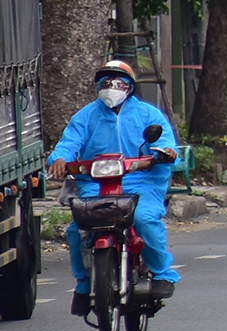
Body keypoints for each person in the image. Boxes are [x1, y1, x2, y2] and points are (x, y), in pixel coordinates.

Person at [47, 60, 180, 316]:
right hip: (95, 185)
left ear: (129, 87)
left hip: (141, 182)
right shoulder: (85, 116)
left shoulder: (148, 115)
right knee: (77, 231)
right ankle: (84, 285)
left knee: (143, 219)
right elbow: (68, 143)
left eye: (118, 83)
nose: (112, 88)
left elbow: (164, 141)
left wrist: (165, 152)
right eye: (106, 83)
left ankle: (163, 273)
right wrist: (60, 159)